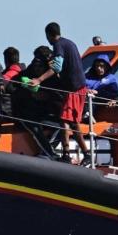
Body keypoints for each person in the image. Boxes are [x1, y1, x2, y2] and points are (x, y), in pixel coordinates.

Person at [30, 22, 91, 167]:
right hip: (78, 87)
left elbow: (57, 66)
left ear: (48, 35)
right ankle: (77, 153)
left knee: (66, 120)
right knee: (70, 121)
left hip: (74, 89)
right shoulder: (69, 43)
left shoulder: (58, 45)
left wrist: (39, 79)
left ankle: (70, 154)